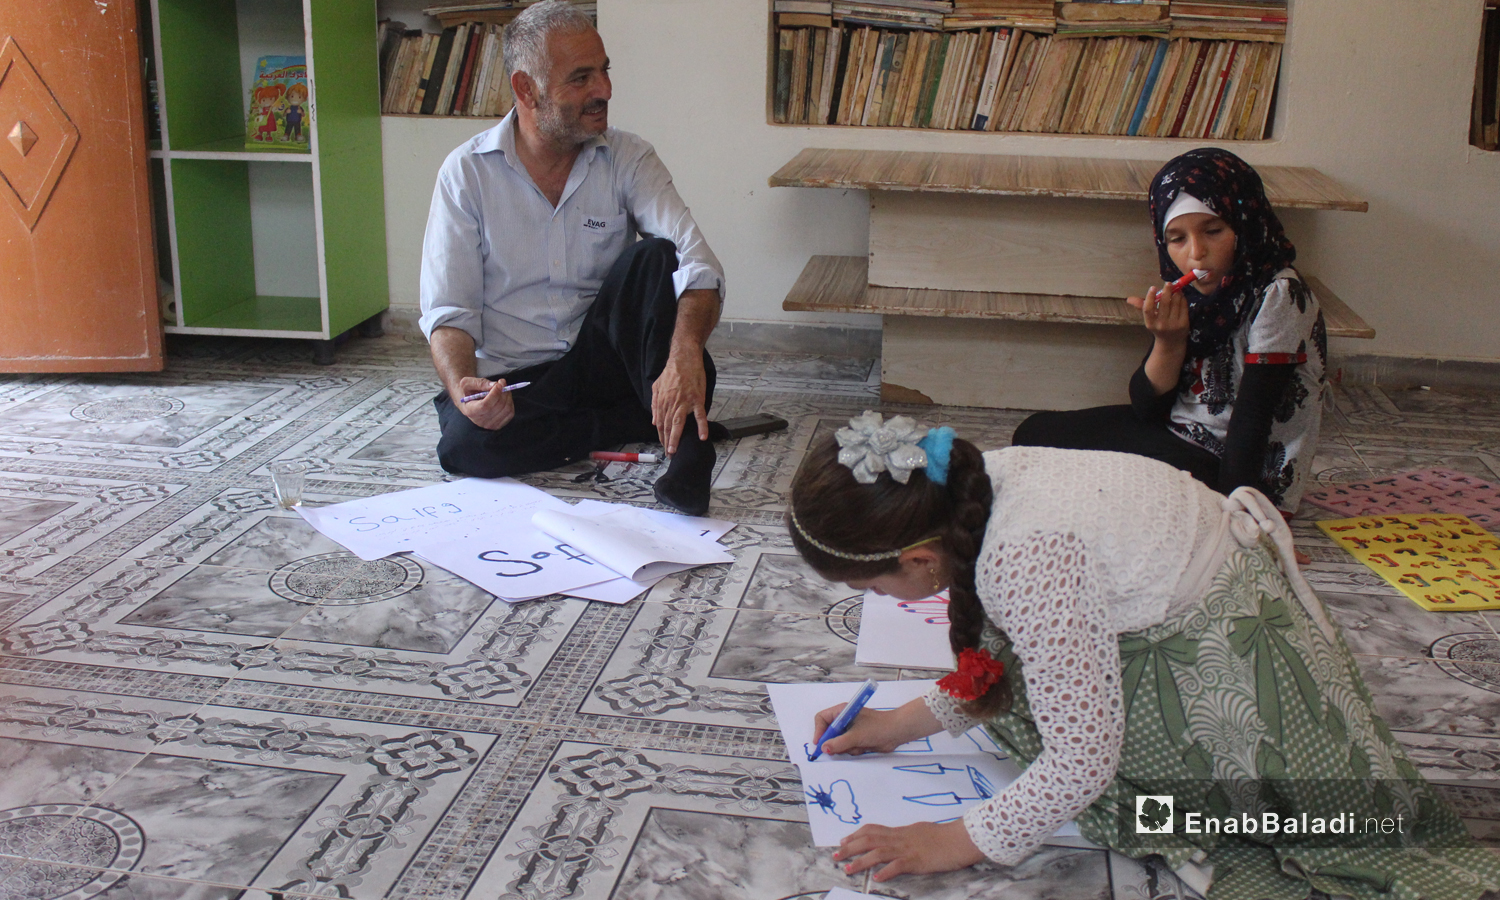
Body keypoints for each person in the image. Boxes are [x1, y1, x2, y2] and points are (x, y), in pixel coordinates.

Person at [787, 411, 1500, 900]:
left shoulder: (1026, 557)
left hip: (1227, 649)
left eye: (874, 586)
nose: (881, 600)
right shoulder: (965, 491)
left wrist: (956, 839)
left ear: (916, 556)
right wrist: (904, 722)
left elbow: (1083, 760)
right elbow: (1010, 653)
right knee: (1039, 705)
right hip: (1170, 602)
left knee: (1209, 813)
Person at [419, 0, 725, 515]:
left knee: (655, 258)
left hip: (599, 361)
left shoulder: (628, 157)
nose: (603, 90)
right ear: (526, 89)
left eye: (604, 71)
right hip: (518, 380)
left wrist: (685, 352)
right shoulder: (466, 174)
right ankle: (631, 419)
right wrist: (464, 388)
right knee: (464, 447)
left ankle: (690, 456)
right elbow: (449, 313)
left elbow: (697, 262)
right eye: (581, 78)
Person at [1012, 148, 1325, 515]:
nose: (1196, 253)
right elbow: (1146, 408)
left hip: (1237, 469)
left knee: (1130, 484)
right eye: (1177, 239)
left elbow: (1252, 423)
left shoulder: (1279, 293)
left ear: (1245, 224)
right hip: (1179, 434)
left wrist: (1239, 522)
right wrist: (1168, 340)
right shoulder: (1189, 290)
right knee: (1033, 433)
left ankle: (1197, 506)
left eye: (1213, 230)